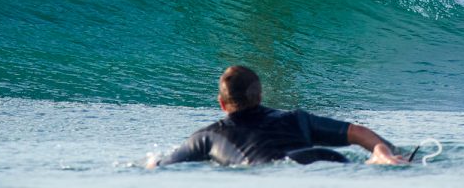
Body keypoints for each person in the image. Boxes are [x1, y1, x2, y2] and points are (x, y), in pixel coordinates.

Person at [148, 65, 405, 167]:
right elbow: (357, 132)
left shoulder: (208, 136)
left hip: (282, 170)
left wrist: (149, 163)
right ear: (260, 97)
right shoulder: (296, 118)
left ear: (221, 103)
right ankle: (385, 157)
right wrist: (386, 150)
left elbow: (163, 165)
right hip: (326, 158)